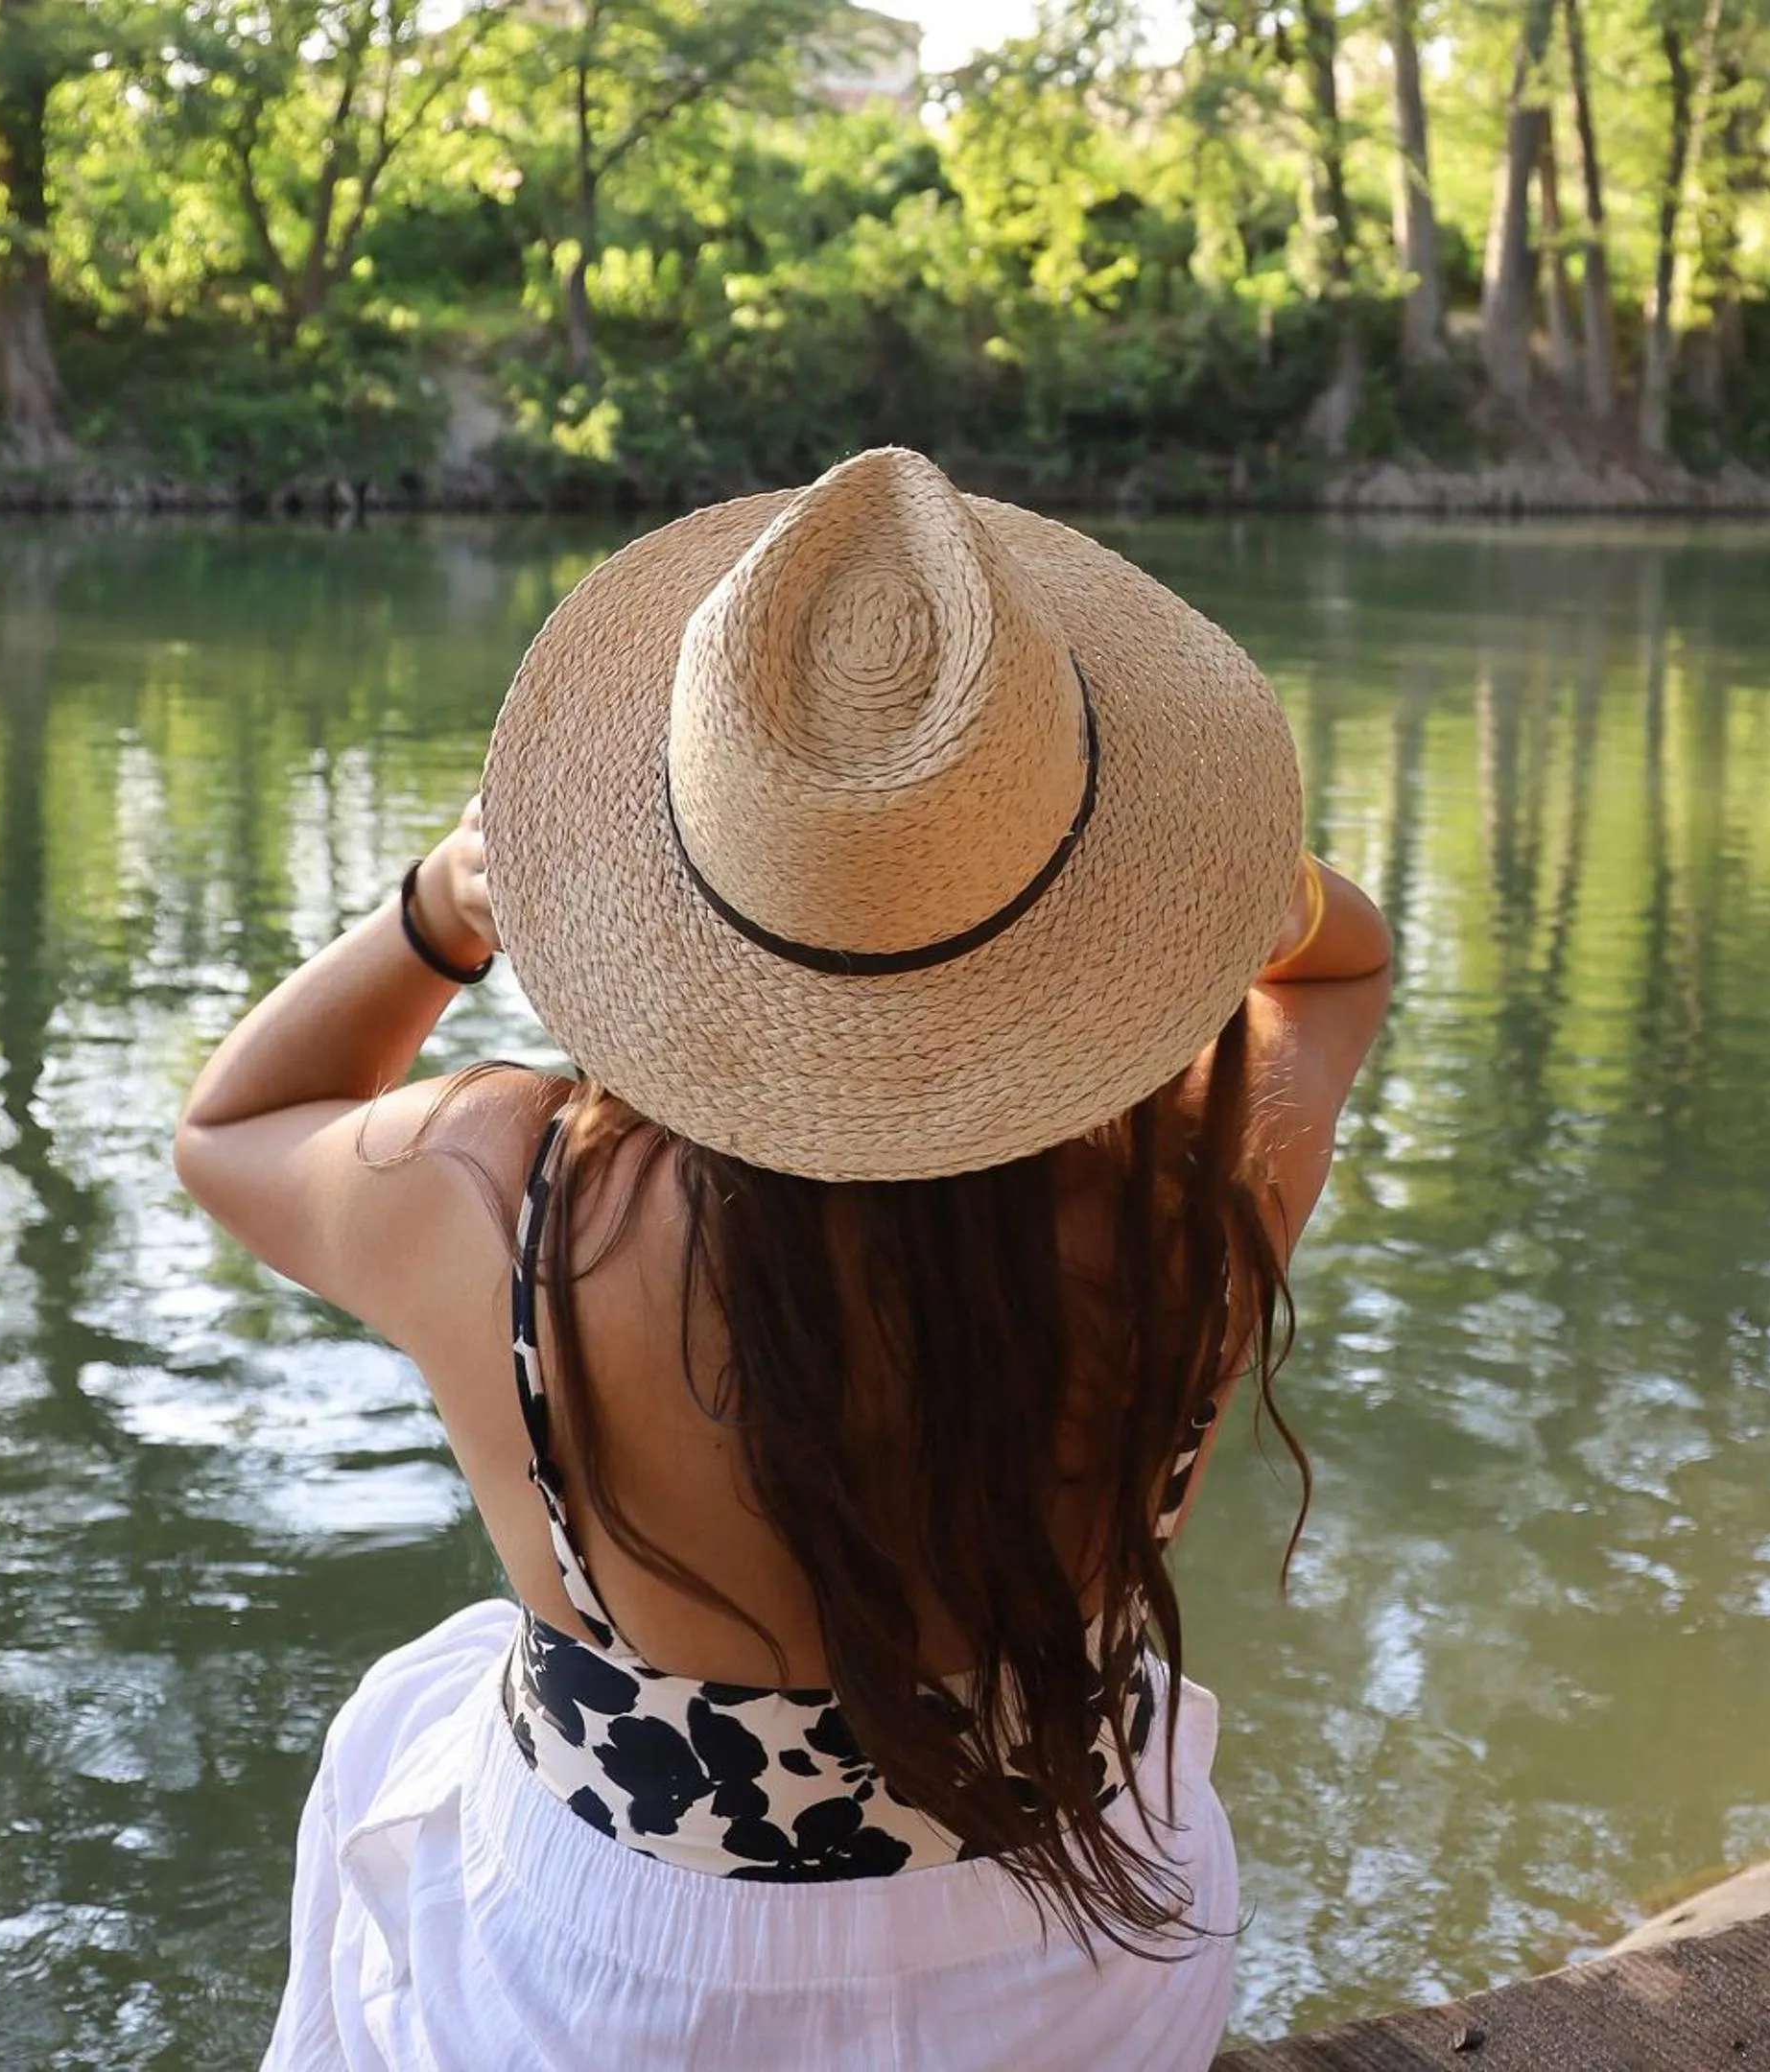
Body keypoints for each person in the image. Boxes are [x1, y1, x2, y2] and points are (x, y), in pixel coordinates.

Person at [174, 448, 1393, 2071]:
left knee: (418, 1708)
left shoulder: (505, 1195)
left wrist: (439, 912)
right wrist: (1198, 881)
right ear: (1080, 894)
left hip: (620, 2004)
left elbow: (234, 1126)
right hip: (1072, 1961)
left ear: (676, 874)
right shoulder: (1188, 1187)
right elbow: (1343, 964)